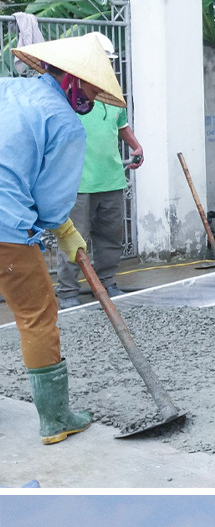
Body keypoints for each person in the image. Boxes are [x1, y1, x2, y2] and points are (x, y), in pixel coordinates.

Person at [1, 34, 125, 446]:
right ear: (72, 79)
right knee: (37, 314)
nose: (92, 96)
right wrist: (64, 230)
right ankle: (56, 420)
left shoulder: (8, 87)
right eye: (91, 87)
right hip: (6, 227)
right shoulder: (65, 123)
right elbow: (52, 205)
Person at [54, 35, 140, 306]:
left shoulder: (111, 94)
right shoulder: (68, 95)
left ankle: (106, 282)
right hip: (78, 183)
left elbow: (122, 125)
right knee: (73, 241)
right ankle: (67, 291)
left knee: (111, 237)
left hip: (111, 179)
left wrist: (136, 147)